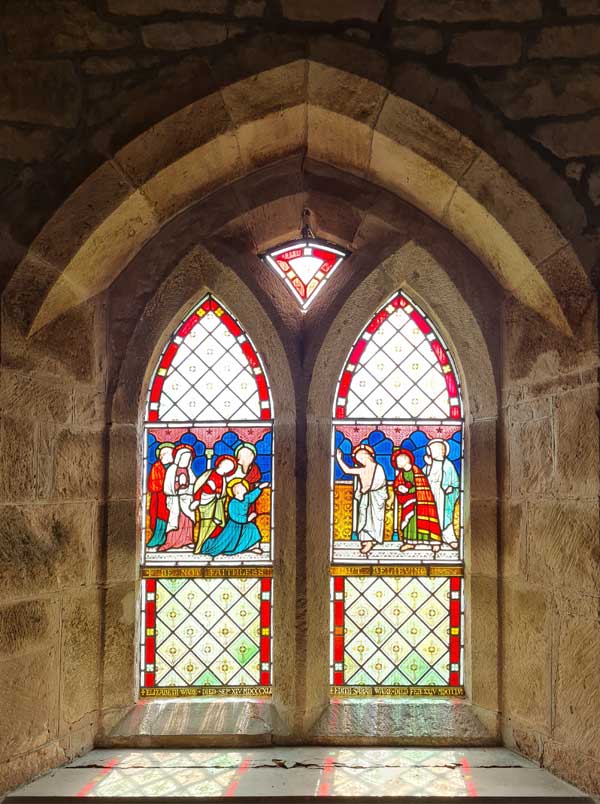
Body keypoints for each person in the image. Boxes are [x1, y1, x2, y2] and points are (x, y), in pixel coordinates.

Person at [336, 444, 387, 556]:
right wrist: (339, 459)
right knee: (363, 518)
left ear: (368, 456)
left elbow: (381, 481)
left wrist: (369, 488)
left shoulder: (378, 468)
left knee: (373, 519)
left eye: (362, 458)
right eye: (359, 459)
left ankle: (370, 542)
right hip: (365, 498)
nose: (361, 461)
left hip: (375, 498)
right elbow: (347, 470)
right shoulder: (362, 470)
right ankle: (366, 540)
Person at [201, 479, 269, 557]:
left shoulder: (246, 498)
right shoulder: (233, 503)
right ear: (237, 492)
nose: (244, 487)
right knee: (226, 542)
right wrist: (248, 519)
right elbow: (235, 517)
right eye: (242, 487)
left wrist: (260, 487)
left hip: (244, 524)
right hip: (233, 527)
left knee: (253, 528)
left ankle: (253, 547)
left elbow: (252, 495)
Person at [392, 449, 442, 553]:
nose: (397, 463)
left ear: (407, 460)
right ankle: (410, 542)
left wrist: (408, 489)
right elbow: (396, 485)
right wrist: (399, 489)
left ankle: (434, 542)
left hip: (420, 501)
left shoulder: (416, 471)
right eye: (397, 461)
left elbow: (420, 486)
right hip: (408, 502)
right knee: (409, 522)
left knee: (423, 520)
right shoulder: (401, 474)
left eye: (399, 461)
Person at [191, 455, 237, 553]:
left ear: (228, 471)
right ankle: (199, 545)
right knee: (205, 524)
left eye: (229, 466)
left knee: (214, 525)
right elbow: (199, 487)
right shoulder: (208, 474)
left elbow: (222, 494)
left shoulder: (224, 480)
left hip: (216, 504)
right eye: (225, 463)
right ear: (219, 463)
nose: (225, 466)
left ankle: (207, 545)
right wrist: (197, 500)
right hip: (204, 501)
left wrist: (215, 490)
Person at [423, 439, 460, 549]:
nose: (429, 452)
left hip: (442, 496)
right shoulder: (429, 464)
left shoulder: (448, 465)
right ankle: (434, 541)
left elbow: (455, 482)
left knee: (444, 516)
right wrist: (429, 466)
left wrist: (451, 487)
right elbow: (423, 476)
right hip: (430, 493)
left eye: (432, 450)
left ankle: (449, 538)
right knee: (431, 516)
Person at [159, 444, 196, 551]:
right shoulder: (172, 469)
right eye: (184, 458)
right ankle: (171, 542)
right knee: (175, 521)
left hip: (187, 500)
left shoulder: (189, 471)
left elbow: (194, 485)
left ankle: (188, 540)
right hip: (175, 500)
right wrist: (177, 489)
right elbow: (167, 486)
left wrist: (188, 489)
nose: (186, 460)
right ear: (178, 457)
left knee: (187, 520)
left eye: (188, 459)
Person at [146, 441, 174, 549]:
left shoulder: (173, 467)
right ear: (162, 455)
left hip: (170, 498)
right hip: (159, 498)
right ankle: (157, 538)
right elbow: (153, 484)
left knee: (169, 519)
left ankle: (167, 539)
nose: (172, 455)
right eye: (169, 453)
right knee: (159, 519)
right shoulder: (156, 466)